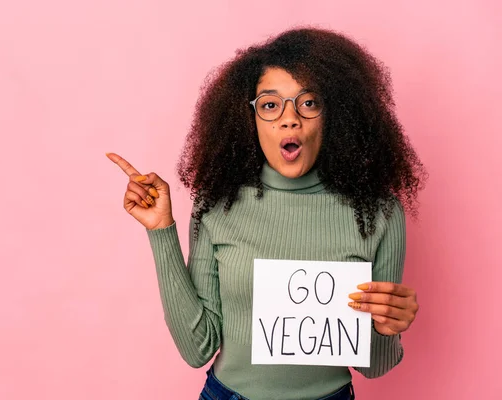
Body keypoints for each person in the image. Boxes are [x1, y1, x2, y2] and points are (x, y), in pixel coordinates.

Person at [107, 27, 425, 400]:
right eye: (270, 105)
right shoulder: (217, 203)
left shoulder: (379, 212)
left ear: (335, 113)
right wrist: (161, 230)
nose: (289, 120)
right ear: (251, 119)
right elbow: (197, 349)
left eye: (308, 103)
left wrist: (389, 329)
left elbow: (376, 367)